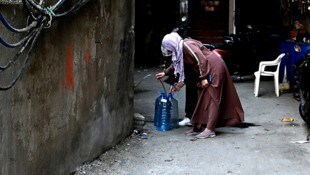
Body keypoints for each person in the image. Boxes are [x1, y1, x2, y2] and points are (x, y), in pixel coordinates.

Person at [156, 32, 244, 139]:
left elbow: (201, 59)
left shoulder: (186, 45)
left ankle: (210, 129)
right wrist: (165, 72)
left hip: (214, 68)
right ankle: (199, 126)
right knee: (202, 97)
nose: (168, 51)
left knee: (213, 99)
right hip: (208, 69)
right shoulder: (180, 50)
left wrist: (203, 78)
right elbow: (177, 63)